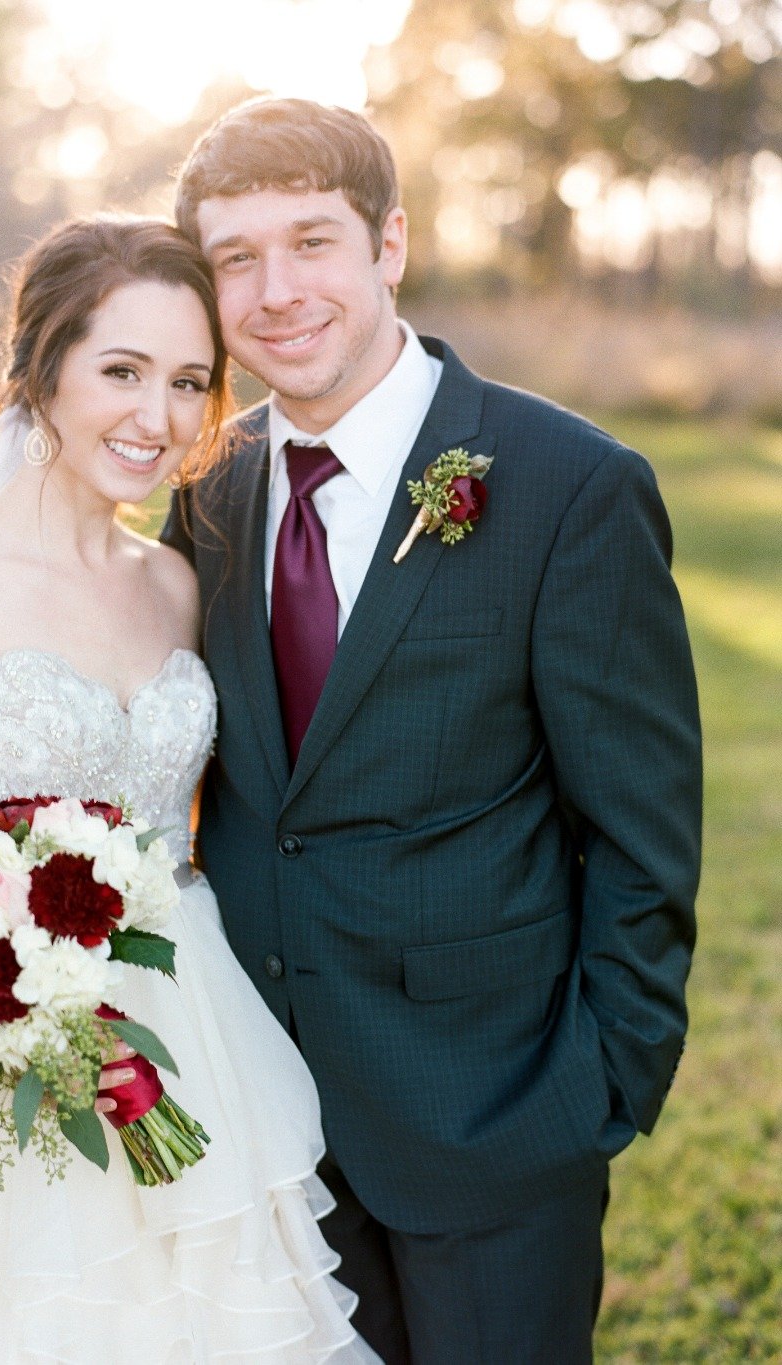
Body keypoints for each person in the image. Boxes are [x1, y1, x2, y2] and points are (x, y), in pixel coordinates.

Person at [0, 216, 379, 1362]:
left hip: (191, 1054)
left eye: (190, 382)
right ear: (41, 366)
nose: (157, 419)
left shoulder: (175, 584)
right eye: (122, 371)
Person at [164, 98, 703, 1363]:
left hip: (494, 1124)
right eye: (235, 259)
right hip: (265, 1131)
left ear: (389, 245)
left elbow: (641, 832)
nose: (276, 290)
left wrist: (596, 1090)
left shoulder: (569, 487)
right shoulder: (206, 487)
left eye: (311, 242)